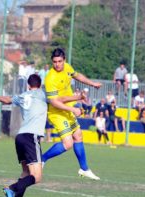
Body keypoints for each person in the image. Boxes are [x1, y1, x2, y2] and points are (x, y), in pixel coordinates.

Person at [0, 74, 84, 197]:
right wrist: (77, 98)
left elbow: (6, 100)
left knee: (25, 172)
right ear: (40, 85)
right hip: (31, 137)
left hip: (20, 137)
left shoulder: (23, 95)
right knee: (36, 176)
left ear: (28, 85)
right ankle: (11, 189)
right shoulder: (42, 95)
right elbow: (60, 99)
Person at [42, 48, 102, 180]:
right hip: (57, 112)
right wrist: (74, 107)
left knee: (78, 136)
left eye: (60, 61)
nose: (57, 64)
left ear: (64, 60)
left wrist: (92, 84)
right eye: (55, 62)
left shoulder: (67, 67)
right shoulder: (50, 78)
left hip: (67, 109)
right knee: (68, 144)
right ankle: (42, 159)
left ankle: (84, 169)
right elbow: (55, 101)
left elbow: (77, 75)